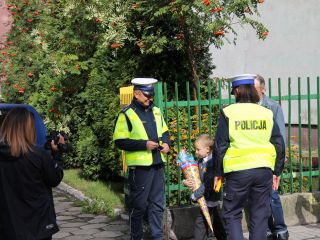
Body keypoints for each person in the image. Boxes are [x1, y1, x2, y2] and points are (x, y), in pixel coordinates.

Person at [213, 74, 286, 240]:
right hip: (263, 171)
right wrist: (277, 171)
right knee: (260, 215)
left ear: (237, 91)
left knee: (232, 213)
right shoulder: (266, 113)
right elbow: (278, 143)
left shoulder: (228, 112)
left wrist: (218, 173)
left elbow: (220, 146)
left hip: (238, 172)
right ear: (253, 90)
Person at [113, 78, 170, 240]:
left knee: (158, 205)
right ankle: (136, 237)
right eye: (147, 95)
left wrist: (166, 143)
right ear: (136, 94)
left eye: (152, 96)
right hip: (140, 168)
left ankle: (157, 237)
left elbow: (165, 132)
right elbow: (119, 141)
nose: (150, 99)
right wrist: (143, 145)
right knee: (138, 207)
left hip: (158, 163)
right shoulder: (126, 114)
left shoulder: (156, 111)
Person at [0, 107, 65, 240]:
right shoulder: (38, 155)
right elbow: (55, 178)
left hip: (7, 226)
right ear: (28, 128)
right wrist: (57, 154)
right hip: (38, 225)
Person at [255, 75, 289, 240]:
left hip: (270, 158)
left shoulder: (272, 106)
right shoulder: (248, 107)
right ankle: (267, 230)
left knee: (272, 196)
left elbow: (280, 135)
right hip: (255, 158)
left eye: (254, 89)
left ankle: (280, 229)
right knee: (258, 197)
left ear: (262, 89)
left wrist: (280, 161)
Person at [183, 134, 227, 240]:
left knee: (201, 223)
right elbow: (195, 177)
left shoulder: (212, 163)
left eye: (198, 149)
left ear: (207, 149)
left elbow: (208, 184)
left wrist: (195, 195)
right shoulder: (200, 161)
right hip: (205, 198)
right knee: (216, 223)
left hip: (211, 198)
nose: (196, 152)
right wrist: (185, 181)